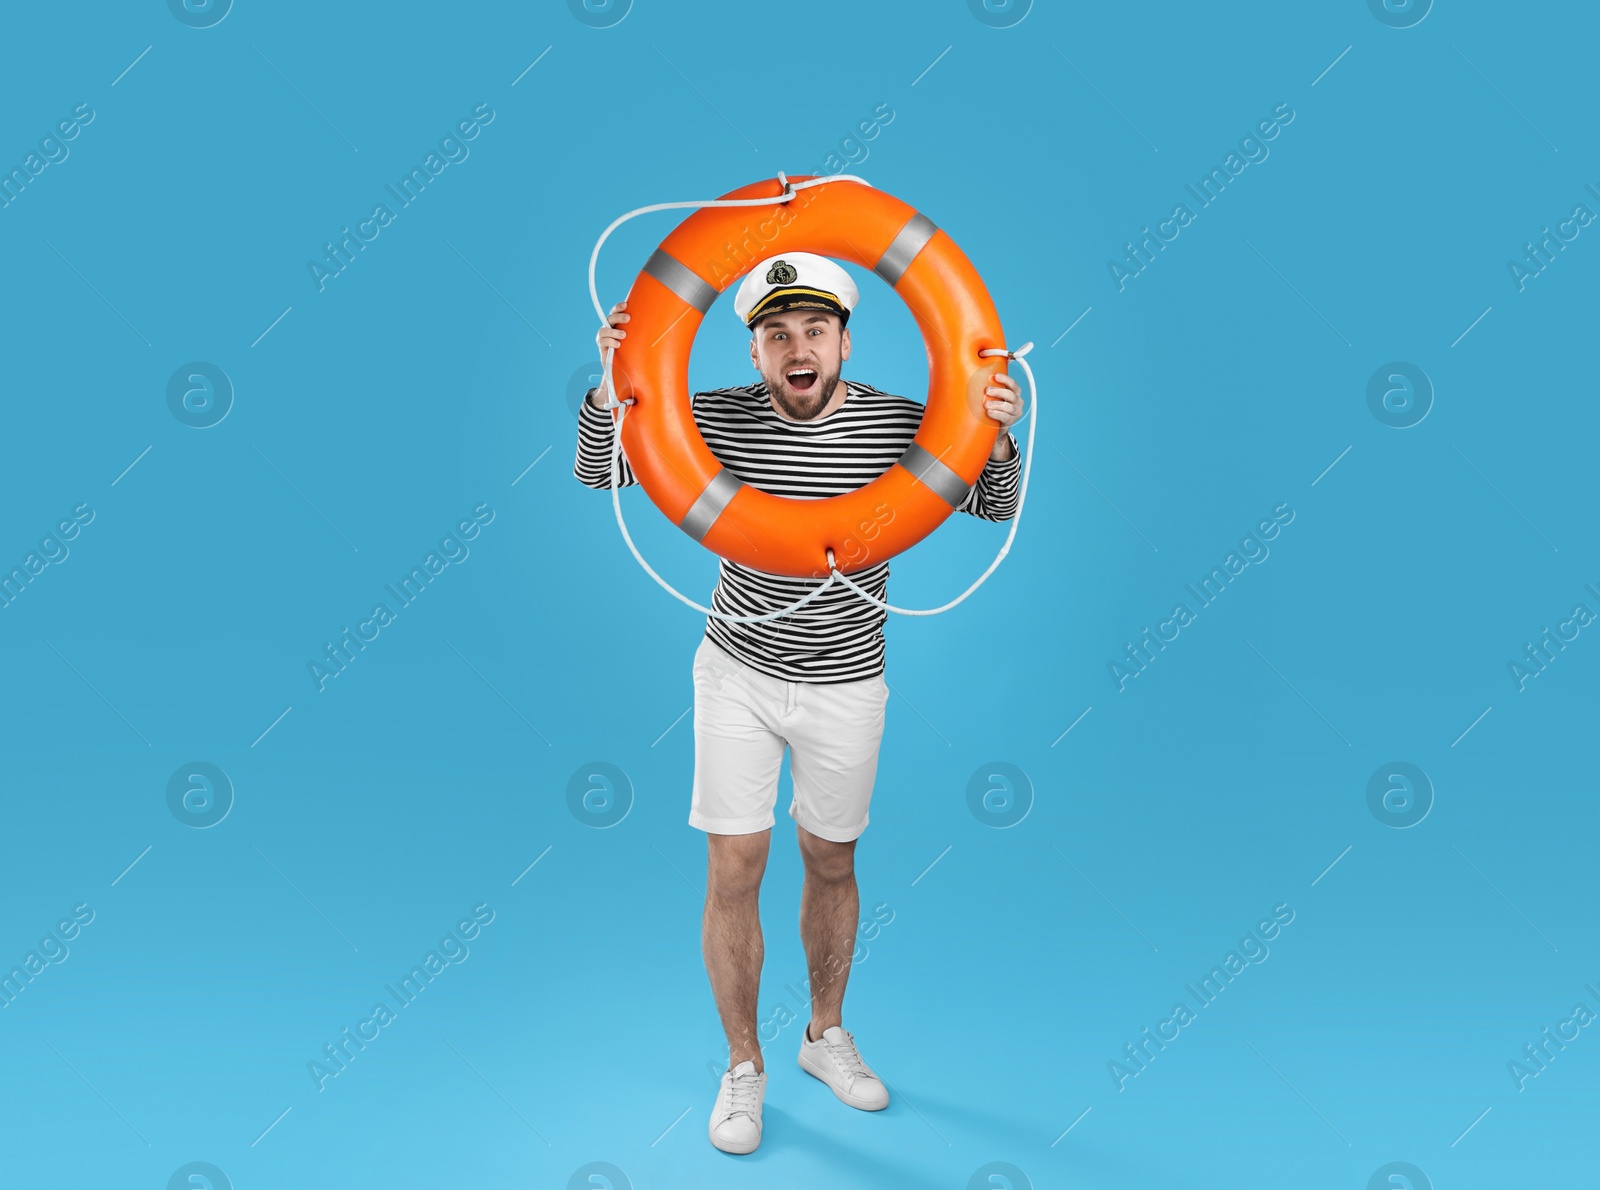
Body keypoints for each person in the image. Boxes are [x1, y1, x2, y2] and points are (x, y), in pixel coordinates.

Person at [572, 252, 1024, 1155]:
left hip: (848, 679)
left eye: (814, 329)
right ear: (754, 355)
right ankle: (745, 1066)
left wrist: (999, 437)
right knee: (733, 869)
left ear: (845, 340)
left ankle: (824, 1037)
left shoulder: (902, 422)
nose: (796, 347)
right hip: (736, 671)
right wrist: (608, 383)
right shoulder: (718, 416)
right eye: (776, 334)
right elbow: (603, 473)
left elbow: (993, 505)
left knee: (830, 859)